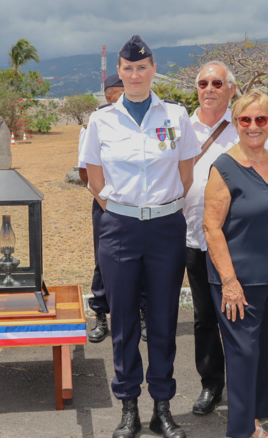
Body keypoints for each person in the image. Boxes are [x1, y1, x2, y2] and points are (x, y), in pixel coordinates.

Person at [81, 35, 196, 438]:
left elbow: (186, 173)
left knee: (163, 319)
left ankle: (162, 408)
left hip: (166, 226)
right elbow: (94, 179)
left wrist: (162, 207)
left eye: (142, 68)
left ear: (152, 69)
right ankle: (128, 406)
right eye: (127, 69)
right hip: (120, 228)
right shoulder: (101, 120)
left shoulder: (176, 116)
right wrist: (122, 209)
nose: (134, 75)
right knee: (125, 320)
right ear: (120, 71)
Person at [203, 90, 268, 438]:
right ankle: (240, 431)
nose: (254, 126)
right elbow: (211, 228)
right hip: (239, 283)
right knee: (243, 356)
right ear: (236, 123)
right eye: (246, 120)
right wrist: (229, 281)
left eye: (261, 119)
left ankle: (256, 424)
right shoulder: (224, 168)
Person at [182, 61, 238, 416]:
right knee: (204, 317)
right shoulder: (180, 128)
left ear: (231, 88)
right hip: (191, 238)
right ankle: (211, 383)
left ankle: (246, 382)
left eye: (217, 82)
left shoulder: (246, 125)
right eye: (203, 82)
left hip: (234, 241)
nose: (209, 88)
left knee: (238, 313)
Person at [78, 73, 147, 344]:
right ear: (109, 96)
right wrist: (106, 203)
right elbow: (85, 171)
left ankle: (142, 314)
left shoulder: (142, 122)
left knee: (141, 261)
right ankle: (100, 315)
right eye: (122, 89)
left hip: (139, 207)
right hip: (106, 206)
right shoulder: (96, 123)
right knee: (104, 262)